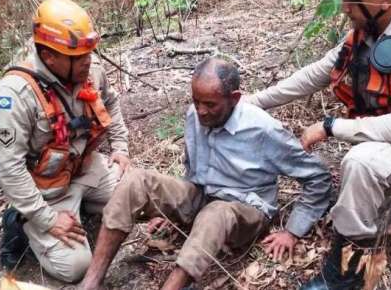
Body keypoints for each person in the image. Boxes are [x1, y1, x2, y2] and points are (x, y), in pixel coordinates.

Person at [246, 0, 391, 288]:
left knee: (361, 162)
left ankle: (345, 275)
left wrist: (330, 126)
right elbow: (315, 74)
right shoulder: (369, 29)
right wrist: (254, 101)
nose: (344, 7)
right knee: (362, 159)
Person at [78, 57, 332, 290]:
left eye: (210, 104)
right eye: (195, 101)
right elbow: (193, 170)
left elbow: (317, 177)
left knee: (216, 213)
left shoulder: (263, 130)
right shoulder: (196, 116)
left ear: (234, 98)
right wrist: (172, 208)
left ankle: (173, 286)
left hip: (244, 209)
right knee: (135, 180)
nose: (200, 111)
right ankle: (92, 281)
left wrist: (292, 230)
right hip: (203, 196)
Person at [0, 0, 130, 283]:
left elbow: (111, 102)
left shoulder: (89, 68)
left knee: (132, 199)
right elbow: (7, 168)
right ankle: (23, 220)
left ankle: (83, 204)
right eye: (77, 56)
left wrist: (120, 148)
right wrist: (48, 220)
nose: (87, 61)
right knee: (75, 267)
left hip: (85, 167)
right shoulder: (15, 95)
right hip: (46, 189)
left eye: (88, 53)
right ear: (49, 55)